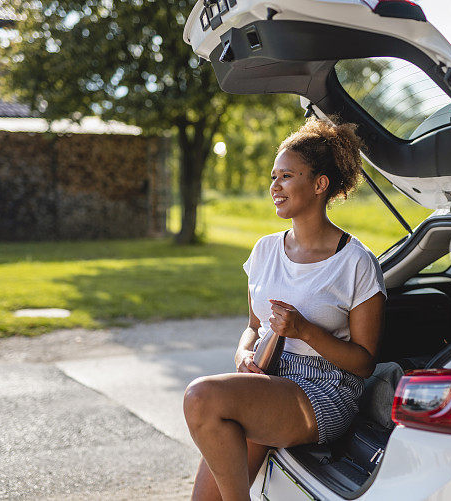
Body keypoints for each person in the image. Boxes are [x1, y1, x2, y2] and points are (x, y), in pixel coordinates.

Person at [183, 117, 386, 501]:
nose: (274, 187)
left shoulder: (356, 263)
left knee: (201, 397)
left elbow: (364, 363)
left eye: (286, 176)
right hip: (265, 378)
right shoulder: (263, 250)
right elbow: (253, 325)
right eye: (273, 177)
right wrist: (244, 353)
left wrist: (306, 331)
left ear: (319, 184)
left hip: (324, 390)